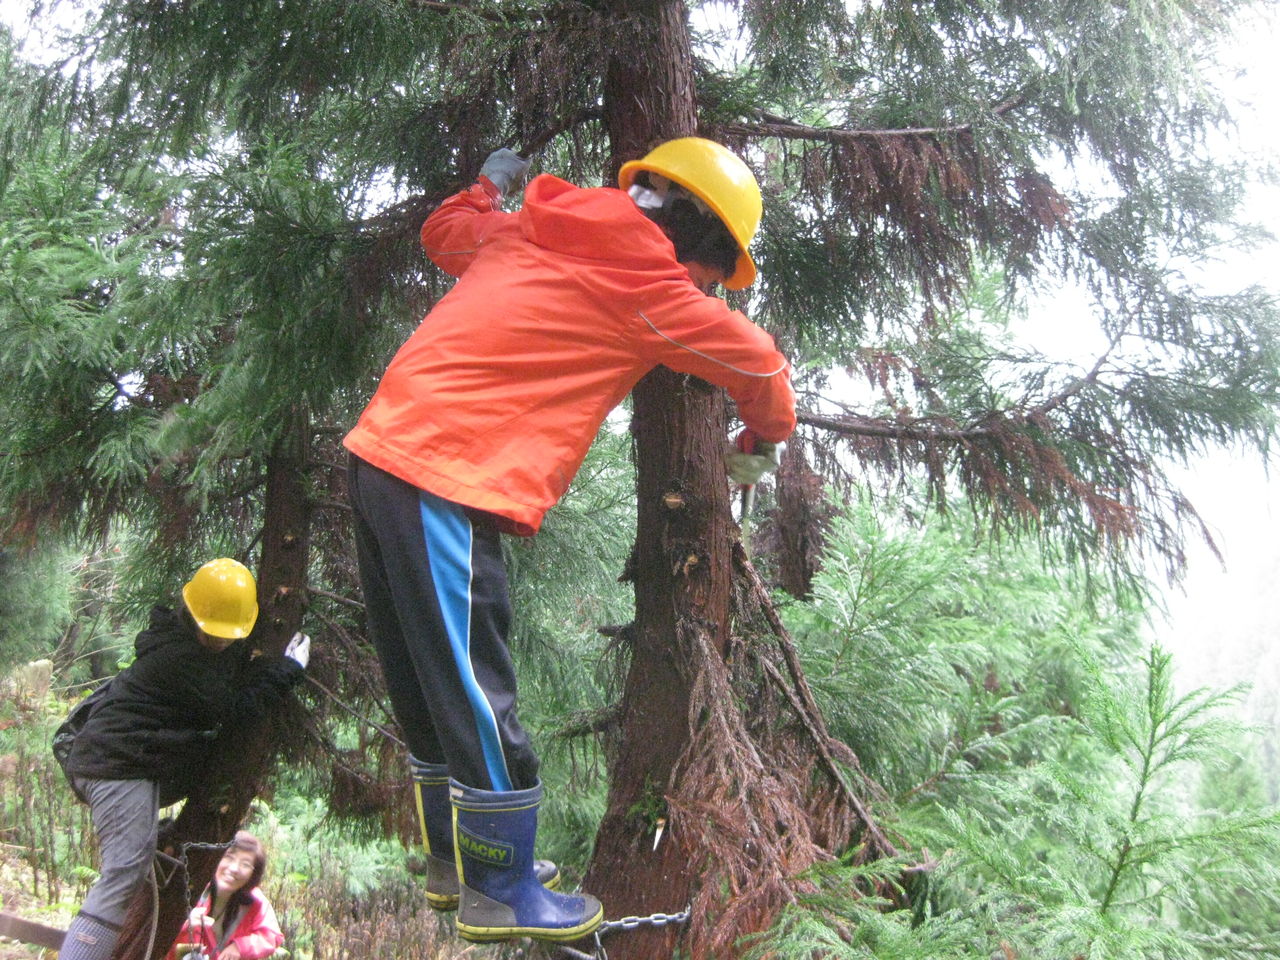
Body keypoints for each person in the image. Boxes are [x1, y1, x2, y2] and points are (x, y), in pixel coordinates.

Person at [343, 136, 796, 943]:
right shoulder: (651, 285)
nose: (705, 289)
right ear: (697, 234)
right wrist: (762, 441)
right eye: (712, 271)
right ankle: (502, 890)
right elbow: (760, 366)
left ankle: (457, 862)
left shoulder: (523, 229)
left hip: (381, 457)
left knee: (427, 680)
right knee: (476, 688)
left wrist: (487, 184)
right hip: (442, 473)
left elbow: (445, 233)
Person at [56, 558, 310, 960]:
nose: (221, 642)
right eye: (213, 632)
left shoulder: (190, 646)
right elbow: (237, 709)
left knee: (133, 864)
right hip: (116, 766)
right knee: (124, 872)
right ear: (191, 615)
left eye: (229, 634)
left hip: (132, 760)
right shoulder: (179, 660)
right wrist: (287, 669)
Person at [165, 831, 283, 960]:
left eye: (245, 864)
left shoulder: (255, 901)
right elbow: (159, 933)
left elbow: (271, 937)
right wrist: (184, 925)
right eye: (229, 857)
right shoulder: (192, 891)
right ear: (215, 858)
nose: (234, 869)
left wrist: (240, 947)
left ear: (253, 874)